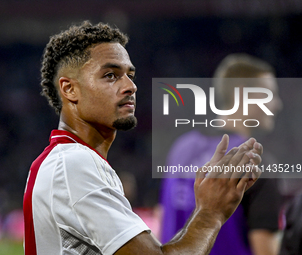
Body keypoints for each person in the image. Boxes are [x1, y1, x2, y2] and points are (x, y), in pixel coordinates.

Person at [23, 22, 263, 255]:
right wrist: (211, 212)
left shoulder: (66, 160)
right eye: (110, 75)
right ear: (69, 89)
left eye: (130, 75)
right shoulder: (74, 164)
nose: (130, 86)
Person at [160, 53, 283, 255]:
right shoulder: (256, 162)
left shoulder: (180, 148)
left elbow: (163, 219)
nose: (276, 104)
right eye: (269, 94)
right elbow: (265, 251)